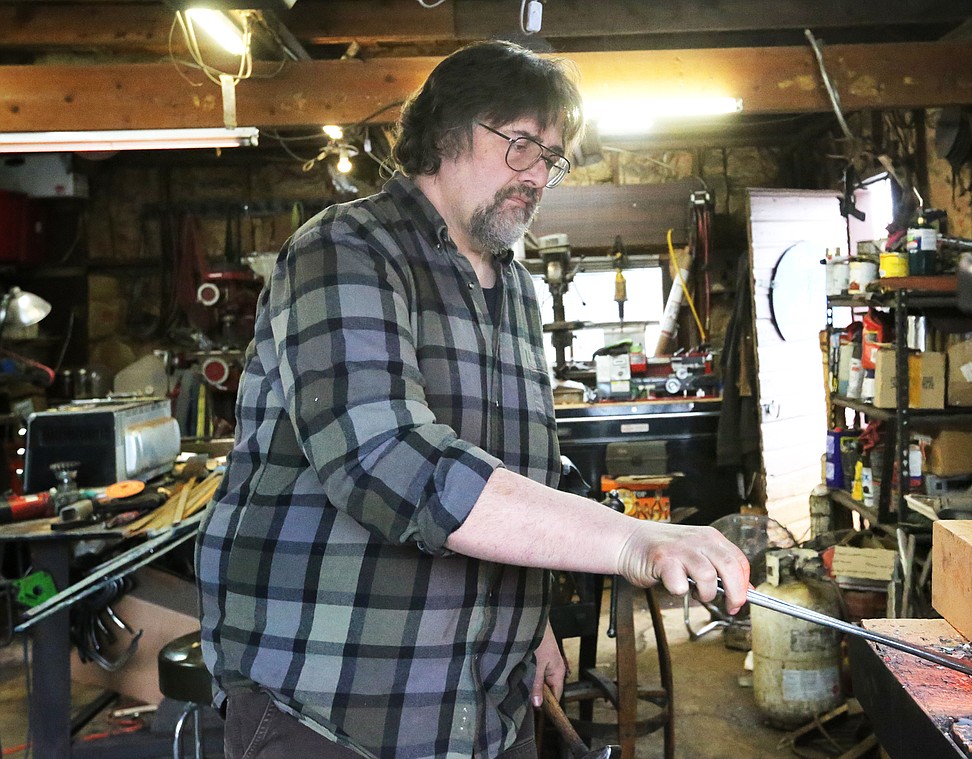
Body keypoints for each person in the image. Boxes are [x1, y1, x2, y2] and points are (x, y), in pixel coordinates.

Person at [195, 39, 750, 759]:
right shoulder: (345, 248)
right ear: (444, 134)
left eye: (552, 157)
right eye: (521, 144)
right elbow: (385, 458)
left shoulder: (513, 287)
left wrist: (531, 622)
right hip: (337, 698)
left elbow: (519, 465)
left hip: (487, 701)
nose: (539, 174)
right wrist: (628, 539)